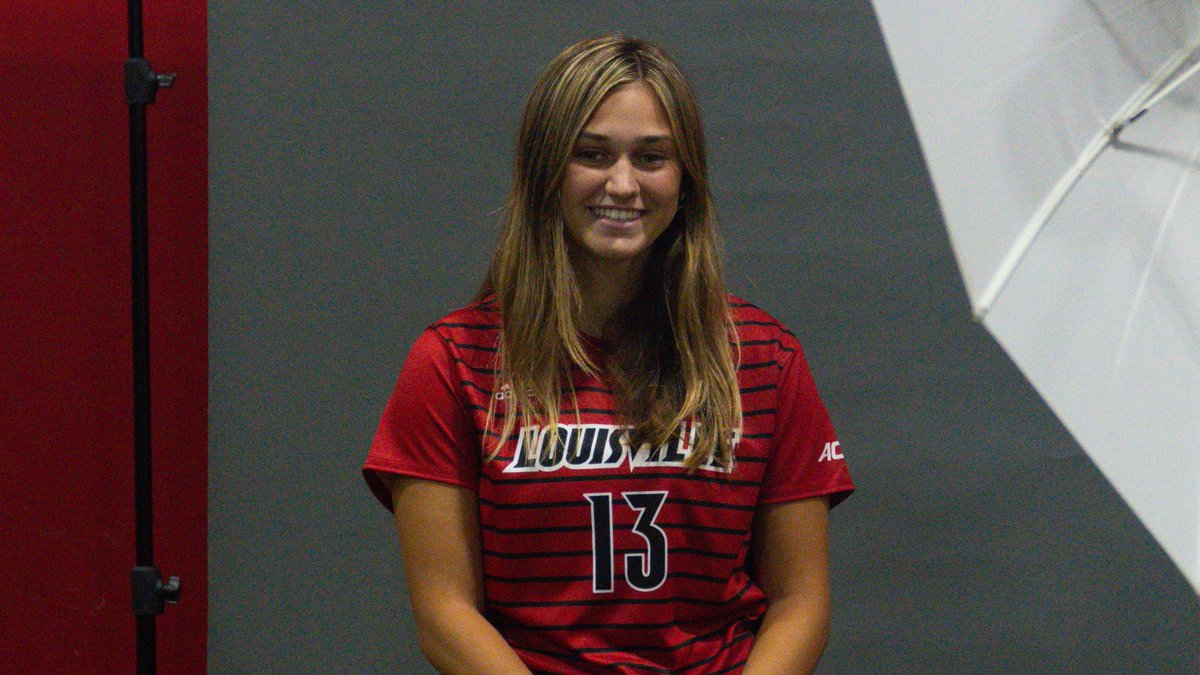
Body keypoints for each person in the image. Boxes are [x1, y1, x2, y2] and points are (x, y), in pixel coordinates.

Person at [363, 34, 854, 674]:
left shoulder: (765, 359)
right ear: (546, 170)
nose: (622, 184)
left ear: (686, 179)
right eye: (591, 154)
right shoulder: (453, 363)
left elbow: (801, 603)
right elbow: (444, 613)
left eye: (652, 157)